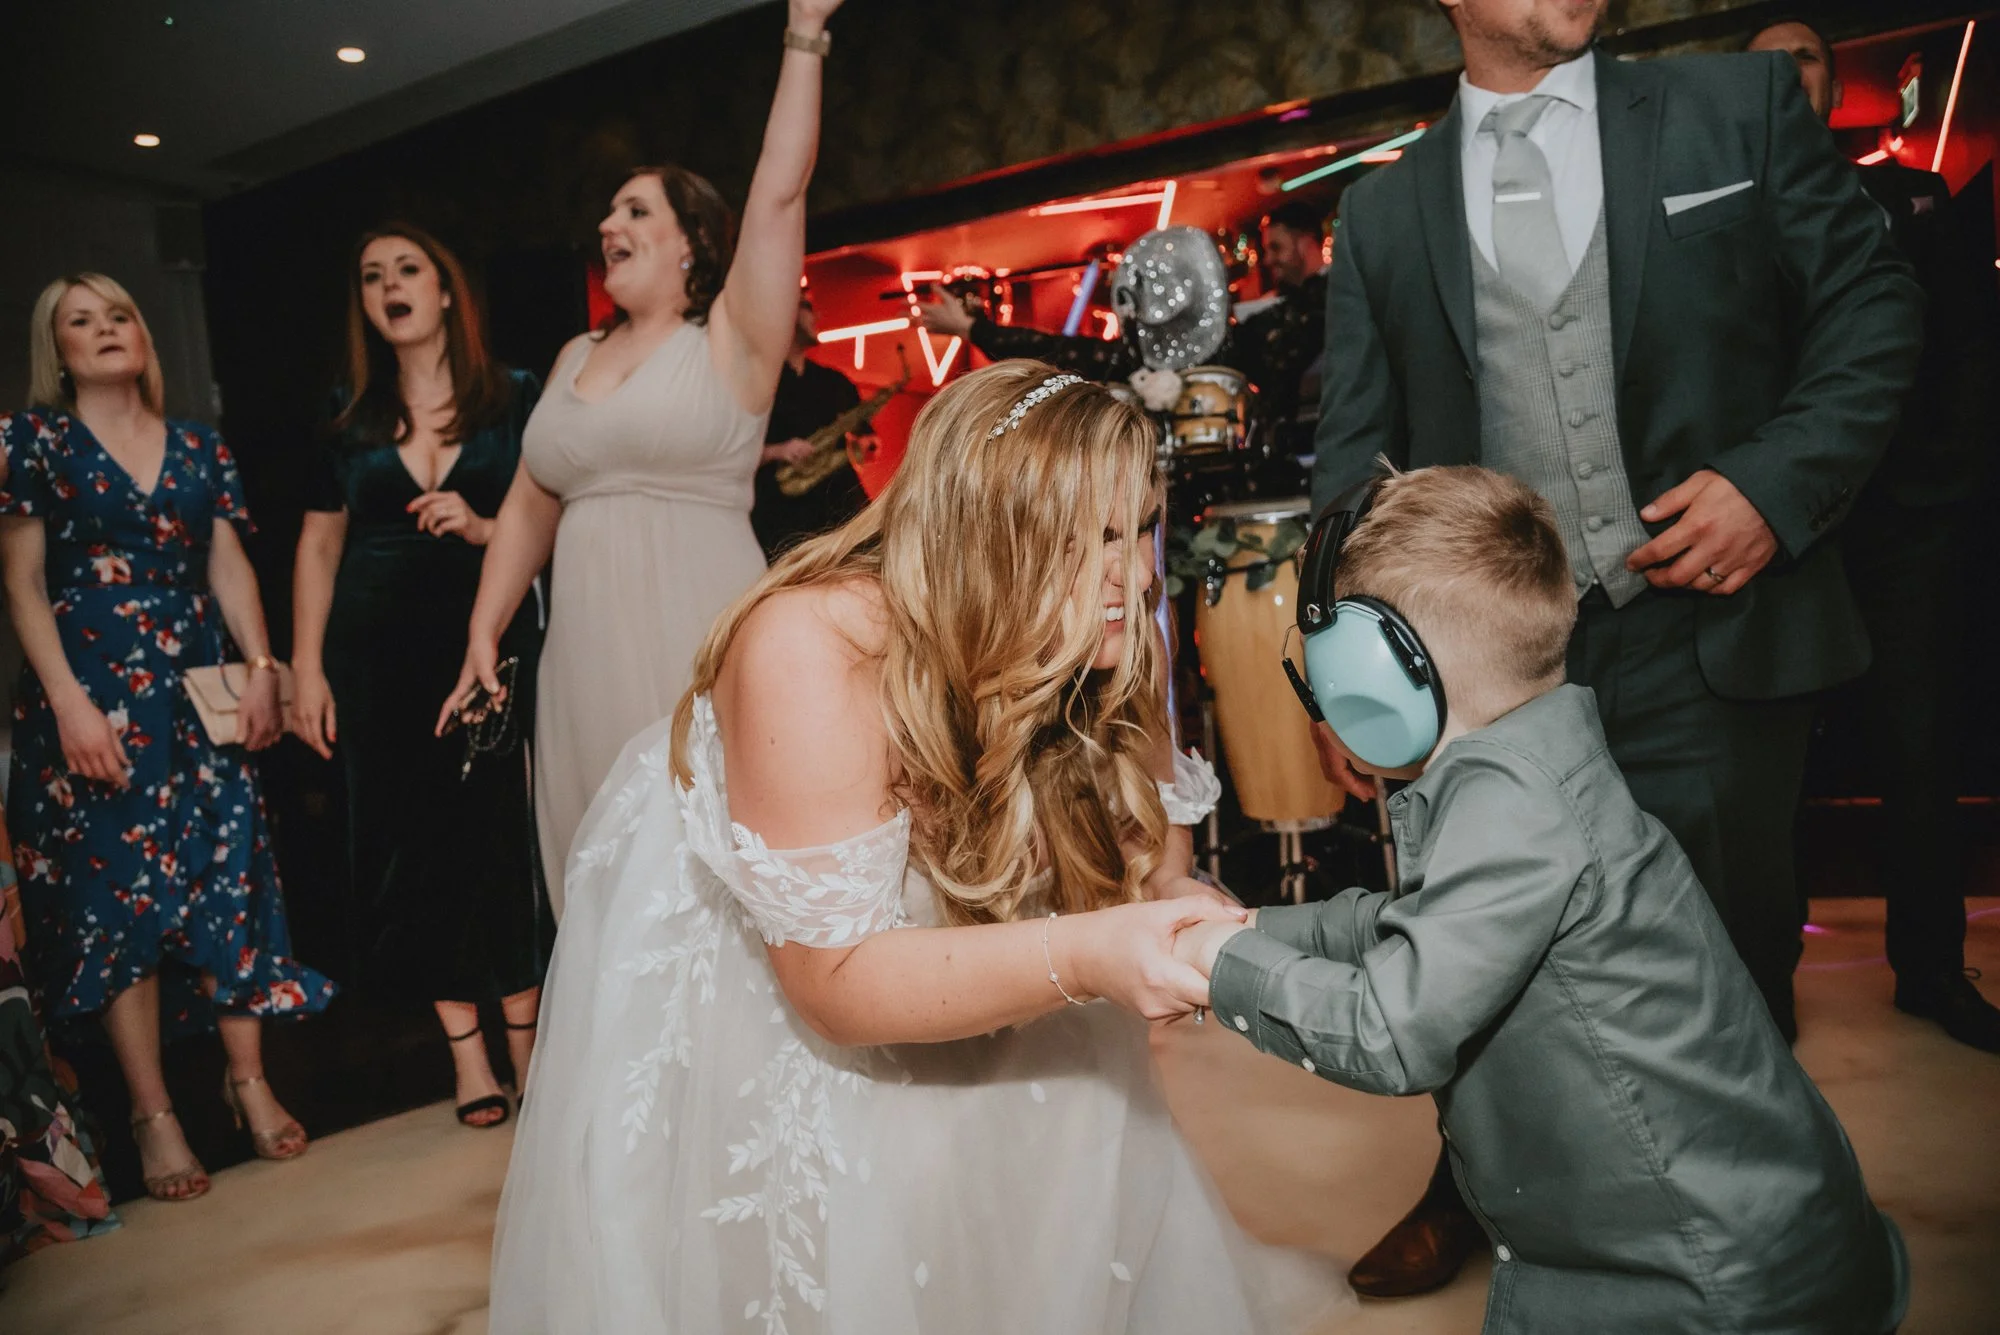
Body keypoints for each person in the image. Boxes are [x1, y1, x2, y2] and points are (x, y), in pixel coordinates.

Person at [487, 361, 1352, 1334]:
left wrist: (1180, 926)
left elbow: (1155, 870)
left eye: (1140, 526)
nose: (1139, 572)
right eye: (1095, 538)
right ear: (984, 535)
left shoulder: (1110, 632)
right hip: (788, 967)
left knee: (1065, 1150)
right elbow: (833, 982)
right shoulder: (813, 648)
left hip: (971, 927)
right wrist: (1089, 953)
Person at [1309, 0, 1923, 1295]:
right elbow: (1349, 464)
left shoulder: (1734, 111)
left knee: (1733, 965)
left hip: (1709, 631)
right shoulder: (1382, 213)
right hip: (1485, 674)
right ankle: (1476, 1186)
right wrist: (1351, 675)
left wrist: (1773, 480)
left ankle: (1750, 1251)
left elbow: (1872, 308)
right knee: (1472, 950)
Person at [1172, 464, 1909, 1335]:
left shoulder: (1507, 805)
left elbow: (1389, 1028)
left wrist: (1219, 967)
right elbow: (1411, 930)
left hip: (1703, 1283)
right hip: (1705, 1241)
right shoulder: (1531, 748)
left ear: (1380, 668)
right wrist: (1253, 925)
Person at [445, 0, 847, 914]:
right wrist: (485, 627)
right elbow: (529, 504)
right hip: (579, 653)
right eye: (607, 212)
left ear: (693, 243)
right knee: (601, 871)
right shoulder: (572, 358)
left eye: (635, 210)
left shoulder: (731, 341)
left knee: (711, 864)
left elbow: (781, 190)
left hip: (692, 635)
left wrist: (805, 32)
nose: (608, 225)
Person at [0, 274, 335, 1202]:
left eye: (119, 316)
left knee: (229, 878)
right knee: (121, 901)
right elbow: (21, 583)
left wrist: (262, 667)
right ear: (54, 349)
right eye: (81, 320)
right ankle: (154, 1116)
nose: (106, 330)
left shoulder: (201, 446)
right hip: (95, 694)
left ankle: (249, 1080)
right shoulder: (32, 441)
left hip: (195, 693)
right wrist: (67, 703)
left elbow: (227, 564)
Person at [1747, 16, 2000, 1052]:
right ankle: (1762, 985)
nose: (1782, 72)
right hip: (1776, 537)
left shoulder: (1907, 197)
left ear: (1828, 81)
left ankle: (1930, 973)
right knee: (1765, 772)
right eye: (1762, 57)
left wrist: (1939, 493)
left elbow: (1961, 352)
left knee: (1918, 749)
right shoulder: (1712, 216)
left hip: (1900, 528)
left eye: (1800, 54)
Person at [291, 224, 555, 1129]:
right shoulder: (348, 409)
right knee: (412, 847)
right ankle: (468, 1058)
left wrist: (485, 528)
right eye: (372, 276)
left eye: (408, 270)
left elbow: (550, 512)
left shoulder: (514, 395)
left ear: (447, 291)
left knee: (502, 836)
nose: (390, 286)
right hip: (377, 651)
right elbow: (320, 542)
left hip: (487, 638)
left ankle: (532, 1042)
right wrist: (304, 667)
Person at [749, 290, 878, 559]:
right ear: (786, 313)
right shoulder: (756, 382)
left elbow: (868, 439)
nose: (817, 315)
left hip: (835, 510)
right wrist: (777, 451)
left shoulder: (834, 382)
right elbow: (729, 450)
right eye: (807, 306)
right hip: (777, 516)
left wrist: (865, 446)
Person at [1234, 199, 1330, 460]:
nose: (1268, 260)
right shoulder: (1271, 310)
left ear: (1305, 242)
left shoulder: (1341, 296)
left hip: (1329, 437)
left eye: (1276, 248)